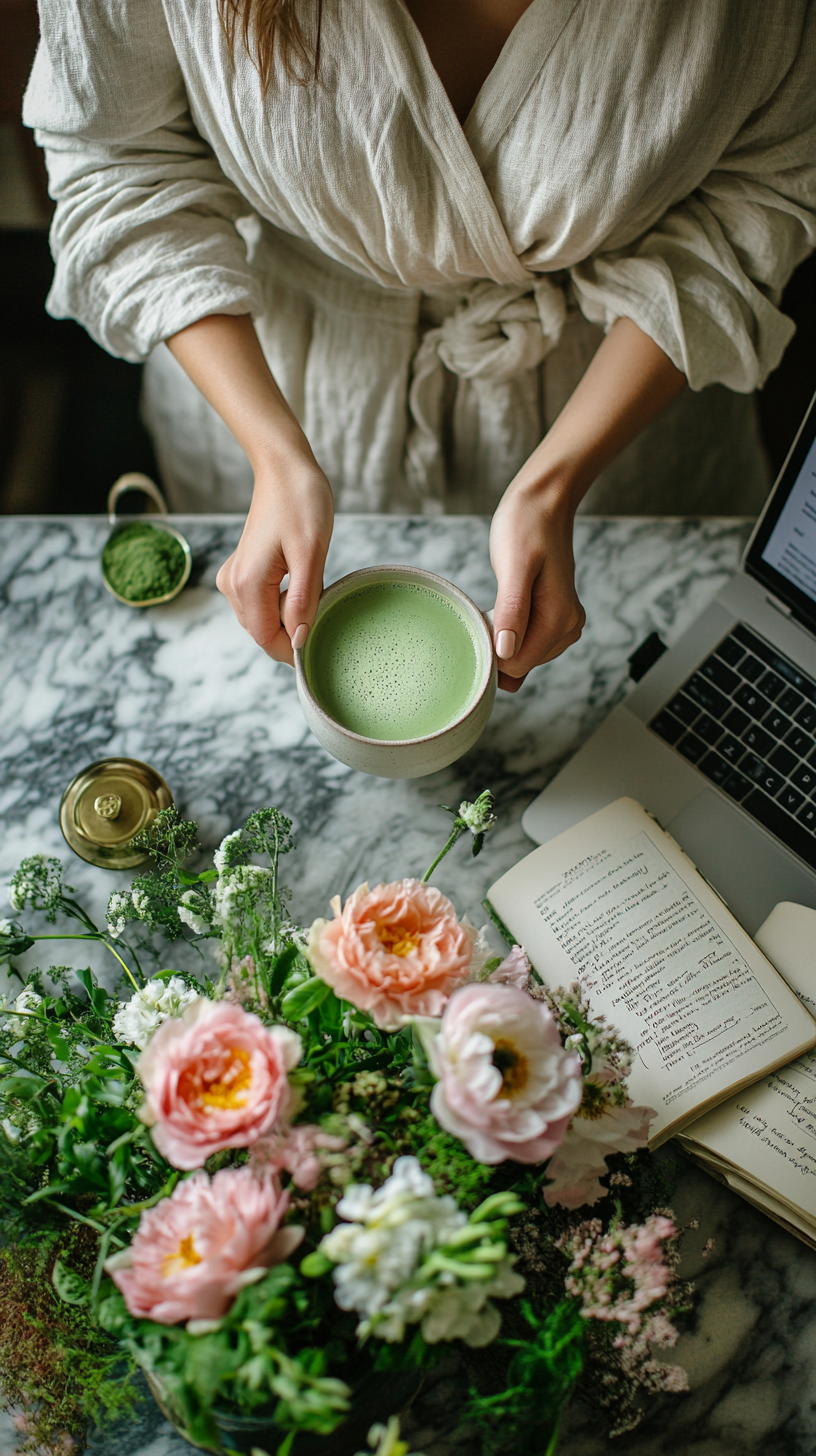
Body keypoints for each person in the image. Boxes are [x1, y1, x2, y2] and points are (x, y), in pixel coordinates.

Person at [24, 0, 816, 690]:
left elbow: (757, 196)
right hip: (278, 386)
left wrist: (558, 479)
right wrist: (275, 455)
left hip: (622, 433)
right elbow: (118, 163)